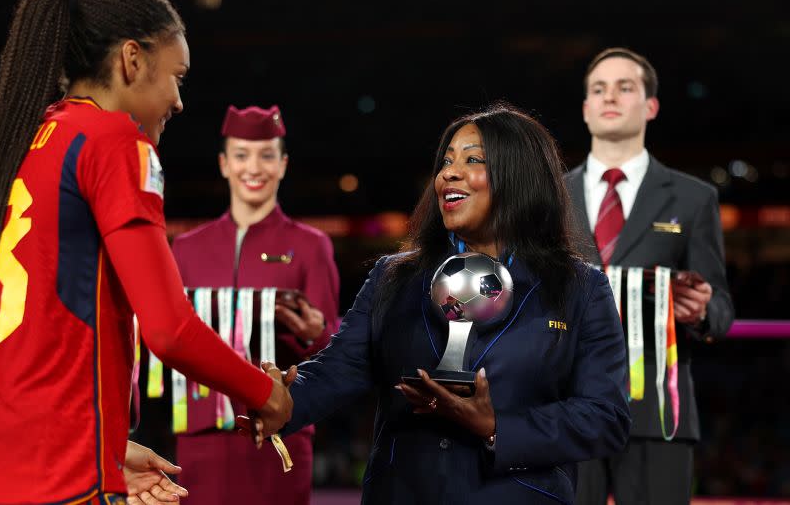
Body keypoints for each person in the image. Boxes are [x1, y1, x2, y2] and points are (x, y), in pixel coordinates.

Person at [0, 0, 292, 503]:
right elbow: (169, 330)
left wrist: (108, 445)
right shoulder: (116, 142)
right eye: (177, 76)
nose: (178, 100)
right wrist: (267, 394)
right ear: (131, 60)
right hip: (54, 483)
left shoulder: (22, 141)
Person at [243, 105, 632, 504]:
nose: (449, 172)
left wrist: (496, 425)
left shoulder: (579, 288)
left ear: (520, 175)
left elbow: (606, 418)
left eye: (473, 159)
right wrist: (286, 400)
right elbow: (339, 368)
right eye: (446, 161)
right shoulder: (393, 277)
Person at [569, 48, 735, 505]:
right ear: (585, 109)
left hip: (658, 413)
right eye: (599, 89)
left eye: (626, 87)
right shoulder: (550, 197)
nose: (610, 97)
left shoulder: (694, 198)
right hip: (563, 409)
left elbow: (721, 307)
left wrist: (702, 309)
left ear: (651, 105)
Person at [171, 105, 340, 505]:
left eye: (266, 155)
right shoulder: (186, 248)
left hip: (279, 434)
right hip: (198, 436)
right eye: (242, 154)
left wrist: (319, 334)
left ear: (282, 165)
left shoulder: (311, 245)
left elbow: (336, 351)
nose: (254, 167)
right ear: (224, 163)